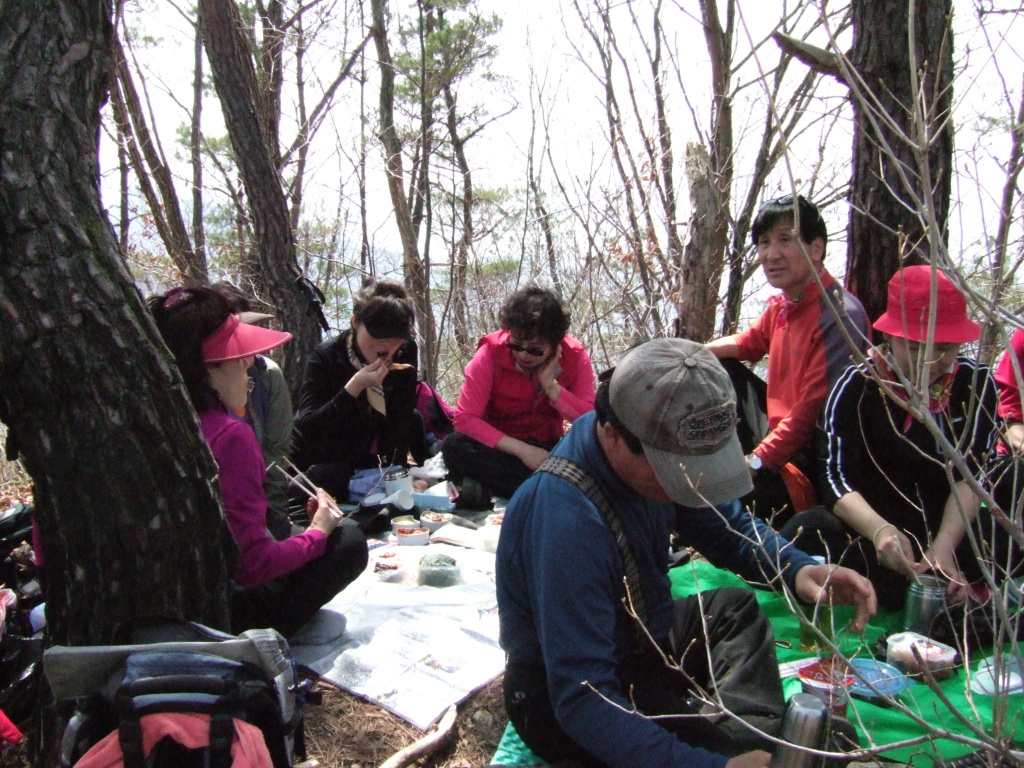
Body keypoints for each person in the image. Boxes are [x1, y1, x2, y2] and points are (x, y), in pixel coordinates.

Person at [497, 338, 876, 768]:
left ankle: (746, 736)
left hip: (640, 635)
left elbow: (727, 528)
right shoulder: (565, 518)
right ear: (613, 434)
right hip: (569, 695)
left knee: (732, 610)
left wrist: (797, 568)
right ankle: (738, 748)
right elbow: (585, 699)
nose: (686, 486)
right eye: (675, 474)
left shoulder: (646, 439)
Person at [149, 285, 368, 637]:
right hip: (217, 615)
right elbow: (253, 566)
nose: (250, 365)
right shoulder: (229, 436)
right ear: (211, 366)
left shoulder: (149, 421)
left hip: (160, 603)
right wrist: (319, 532)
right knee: (349, 541)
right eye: (240, 356)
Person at [781, 266, 998, 611]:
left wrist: (944, 544)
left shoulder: (976, 386)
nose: (932, 362)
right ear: (890, 338)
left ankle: (958, 583)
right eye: (914, 348)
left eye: (945, 347)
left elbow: (974, 474)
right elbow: (834, 478)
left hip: (955, 529)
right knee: (807, 532)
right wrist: (880, 531)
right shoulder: (855, 387)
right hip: (875, 533)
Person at [708, 195, 868, 520]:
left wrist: (754, 462)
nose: (771, 254)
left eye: (785, 240)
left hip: (810, 457)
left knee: (722, 506)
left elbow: (809, 415)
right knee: (715, 368)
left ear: (816, 248)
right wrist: (688, 353)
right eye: (764, 242)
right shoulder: (785, 304)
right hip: (775, 435)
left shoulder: (838, 315)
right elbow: (748, 343)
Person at [442, 285, 595, 504]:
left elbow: (588, 420)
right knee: (454, 446)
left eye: (535, 348)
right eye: (517, 344)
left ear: (555, 343)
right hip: (501, 448)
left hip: (548, 449)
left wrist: (552, 388)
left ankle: (527, 488)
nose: (523, 354)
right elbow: (465, 419)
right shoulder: (491, 351)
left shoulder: (574, 355)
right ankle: (549, 489)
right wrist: (523, 451)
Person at [291, 279, 428, 505]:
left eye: (395, 337)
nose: (386, 345)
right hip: (328, 454)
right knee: (324, 477)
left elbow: (400, 415)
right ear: (355, 323)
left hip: (370, 454)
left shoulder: (404, 351)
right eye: (378, 334)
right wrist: (354, 387)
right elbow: (309, 427)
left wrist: (397, 475)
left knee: (414, 420)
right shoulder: (326, 357)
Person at [212, 282, 295, 540]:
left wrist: (274, 520)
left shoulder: (267, 374)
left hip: (262, 504)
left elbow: (277, 452)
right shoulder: (199, 384)